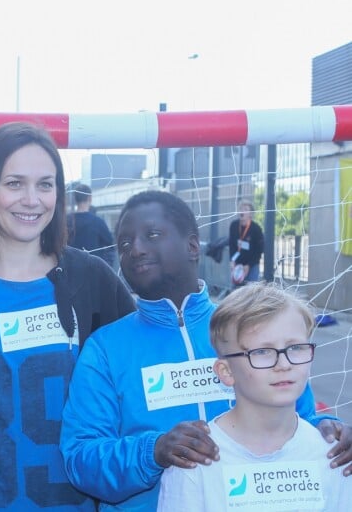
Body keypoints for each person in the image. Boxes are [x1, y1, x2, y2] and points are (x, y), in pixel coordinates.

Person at [60, 190, 352, 510]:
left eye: (152, 234)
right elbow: (80, 461)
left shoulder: (251, 329)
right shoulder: (105, 350)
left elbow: (300, 417)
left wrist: (329, 432)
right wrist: (153, 451)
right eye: (125, 244)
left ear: (193, 246)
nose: (136, 249)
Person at [0, 122, 135, 511]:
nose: (32, 199)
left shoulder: (92, 281)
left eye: (45, 184)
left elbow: (132, 390)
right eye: (14, 183)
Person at [159, 282, 352, 511]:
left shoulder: (334, 455)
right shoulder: (195, 462)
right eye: (261, 352)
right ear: (226, 372)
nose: (284, 364)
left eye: (296, 347)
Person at [67, 184, 116, 267]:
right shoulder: (98, 222)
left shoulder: (65, 221)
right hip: (94, 272)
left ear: (75, 199)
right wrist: (105, 268)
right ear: (90, 198)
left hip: (70, 271)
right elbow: (110, 247)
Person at [228, 199, 264, 286]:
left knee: (251, 292)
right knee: (236, 292)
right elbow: (232, 245)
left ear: (251, 214)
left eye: (245, 209)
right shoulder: (234, 225)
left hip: (251, 266)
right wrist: (232, 261)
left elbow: (259, 251)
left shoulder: (256, 229)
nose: (242, 211)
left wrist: (249, 266)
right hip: (237, 265)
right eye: (241, 208)